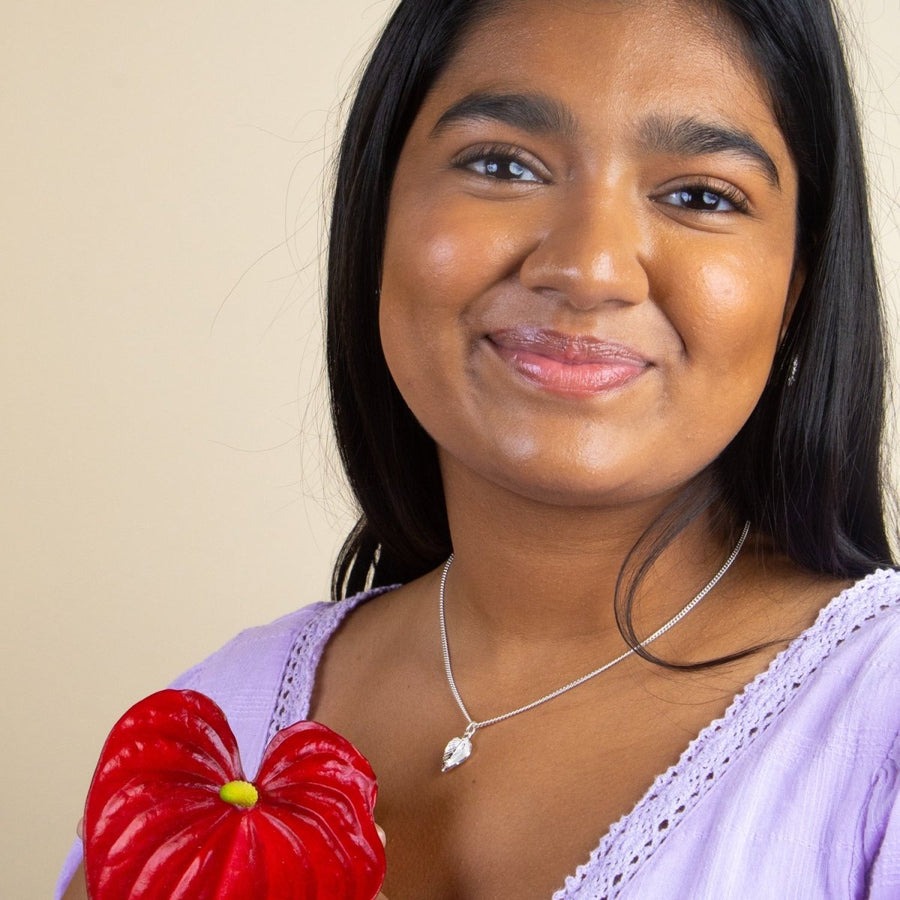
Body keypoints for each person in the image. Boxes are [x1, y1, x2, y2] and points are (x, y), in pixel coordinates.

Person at [59, 0, 900, 897]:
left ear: (797, 281)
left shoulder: (877, 724)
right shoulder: (216, 718)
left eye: (700, 195)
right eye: (502, 164)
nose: (589, 268)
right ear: (378, 210)